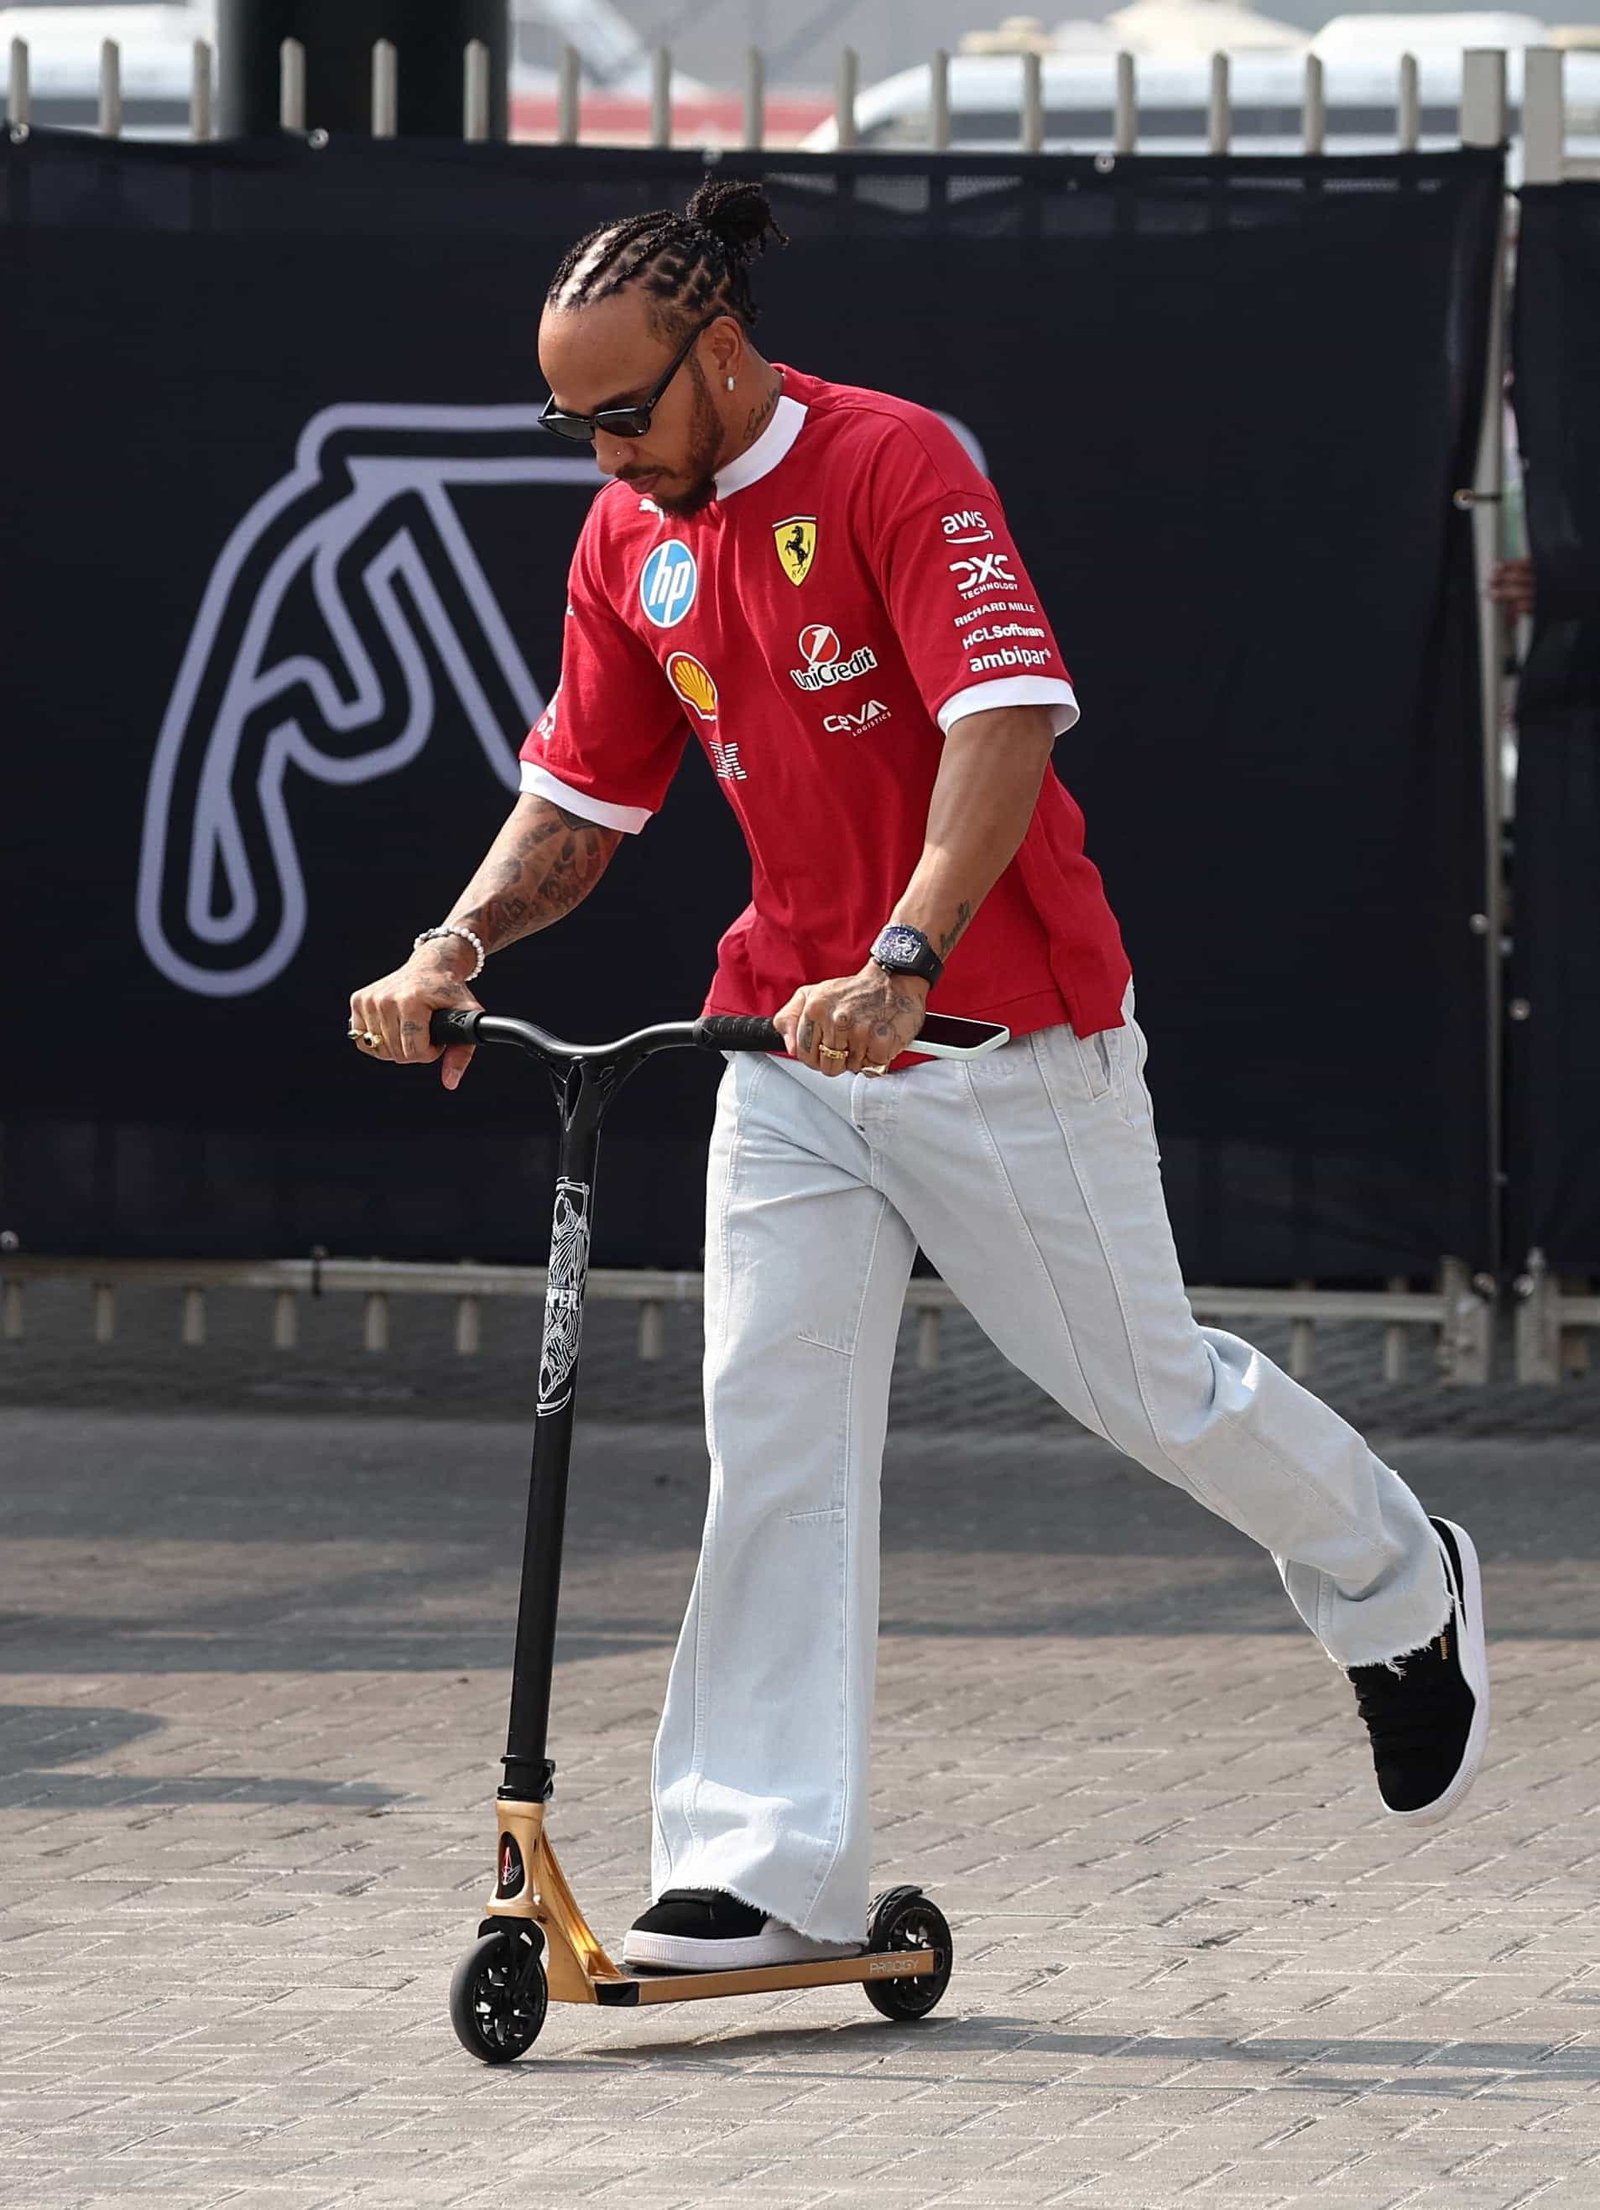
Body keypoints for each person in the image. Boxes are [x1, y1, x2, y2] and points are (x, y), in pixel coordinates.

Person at [350, 178, 1490, 1975]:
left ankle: (1396, 1578)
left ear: (722, 354)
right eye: (571, 425)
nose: (603, 451)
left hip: (995, 1028)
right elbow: (580, 802)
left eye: (624, 412)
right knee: (773, 1429)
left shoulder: (894, 466)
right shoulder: (629, 540)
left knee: (1153, 1393)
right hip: (785, 1054)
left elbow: (1003, 722)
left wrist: (904, 955)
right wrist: (454, 947)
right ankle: (761, 1866)